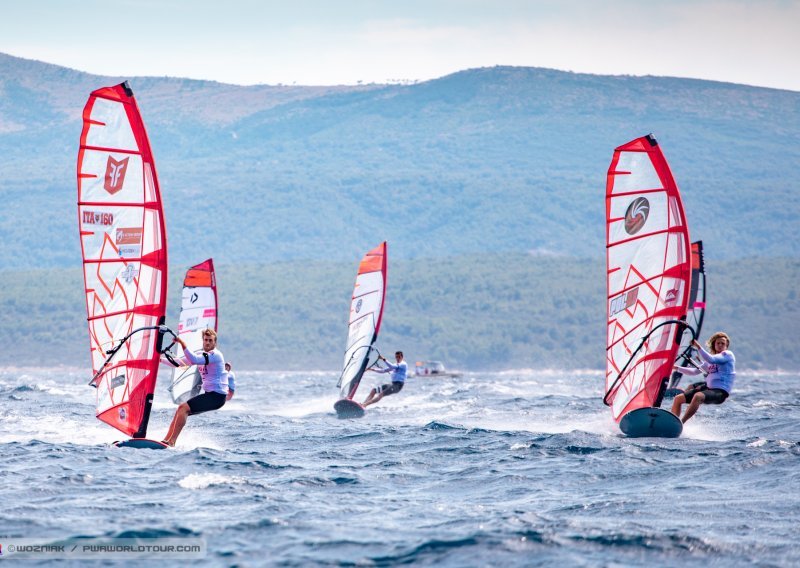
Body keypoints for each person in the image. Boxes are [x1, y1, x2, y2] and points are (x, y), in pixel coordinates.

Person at [162, 328, 229, 446]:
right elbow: (178, 363)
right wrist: (158, 359)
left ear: (215, 343)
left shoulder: (215, 355)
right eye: (205, 340)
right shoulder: (201, 354)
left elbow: (194, 359)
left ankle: (172, 442)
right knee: (180, 410)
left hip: (217, 397)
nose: (207, 343)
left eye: (210, 340)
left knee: (183, 408)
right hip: (210, 395)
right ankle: (166, 440)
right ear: (203, 341)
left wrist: (182, 343)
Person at [671, 332, 736, 424]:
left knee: (698, 396)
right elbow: (694, 371)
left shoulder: (728, 355)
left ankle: (681, 423)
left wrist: (698, 347)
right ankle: (673, 423)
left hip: (720, 393)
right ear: (714, 344)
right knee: (678, 399)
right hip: (710, 389)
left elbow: (711, 359)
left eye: (723, 343)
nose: (720, 345)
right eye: (718, 343)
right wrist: (675, 367)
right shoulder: (710, 360)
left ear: (726, 346)